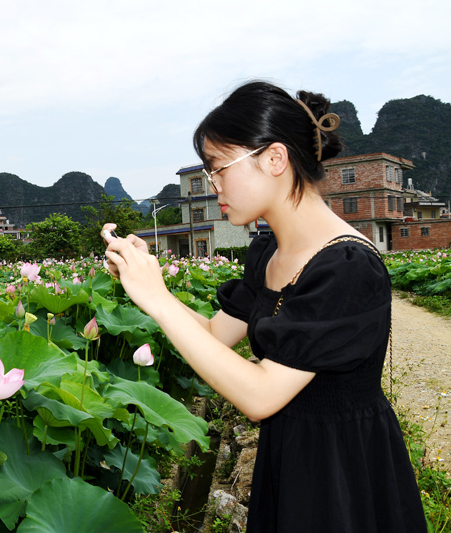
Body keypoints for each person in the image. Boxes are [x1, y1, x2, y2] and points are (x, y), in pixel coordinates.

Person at [103, 81, 426, 532]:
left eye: (219, 169)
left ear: (275, 159)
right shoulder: (268, 253)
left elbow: (260, 395)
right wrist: (147, 281)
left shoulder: (347, 267)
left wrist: (157, 298)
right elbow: (215, 336)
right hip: (290, 455)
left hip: (343, 471)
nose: (213, 185)